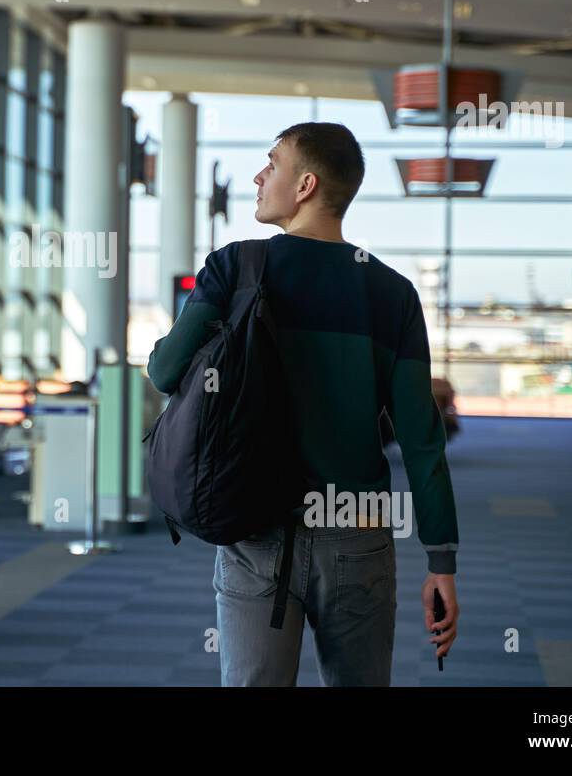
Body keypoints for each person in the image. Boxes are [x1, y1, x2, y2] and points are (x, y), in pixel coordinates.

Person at [146, 122, 459, 686]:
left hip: (256, 528)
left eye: (273, 164)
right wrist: (441, 562)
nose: (259, 176)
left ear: (306, 184)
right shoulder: (392, 292)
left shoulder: (235, 267)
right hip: (357, 533)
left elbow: (165, 372)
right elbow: (421, 440)